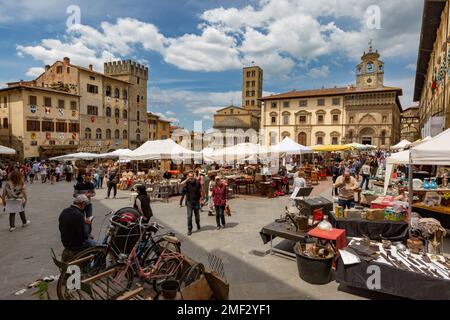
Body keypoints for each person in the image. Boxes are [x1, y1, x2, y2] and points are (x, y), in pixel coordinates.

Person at [59, 195, 96, 260]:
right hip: (76, 244)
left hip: (65, 241)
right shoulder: (79, 215)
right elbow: (83, 237)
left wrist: (83, 222)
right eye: (85, 205)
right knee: (99, 247)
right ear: (83, 204)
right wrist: (87, 225)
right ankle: (99, 267)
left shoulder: (64, 211)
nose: (85, 207)